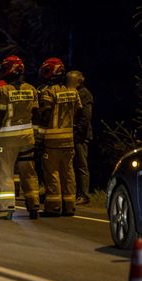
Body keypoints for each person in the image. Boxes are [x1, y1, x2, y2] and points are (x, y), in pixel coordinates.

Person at [0, 55, 41, 220]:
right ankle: (34, 205)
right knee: (29, 172)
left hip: (8, 138)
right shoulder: (32, 89)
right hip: (27, 138)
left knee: (5, 173)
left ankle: (6, 208)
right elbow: (37, 114)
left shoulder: (4, 90)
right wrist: (36, 134)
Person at [38, 58, 82, 217]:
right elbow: (78, 112)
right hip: (68, 140)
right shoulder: (73, 92)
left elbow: (45, 116)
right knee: (68, 173)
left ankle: (53, 207)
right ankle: (69, 206)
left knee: (52, 173)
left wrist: (39, 138)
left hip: (52, 141)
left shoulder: (48, 92)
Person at [66, 70, 93, 205]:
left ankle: (84, 195)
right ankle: (73, 193)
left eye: (70, 80)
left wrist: (77, 131)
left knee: (81, 165)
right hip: (71, 134)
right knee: (71, 165)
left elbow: (86, 116)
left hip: (80, 136)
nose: (68, 83)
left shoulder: (84, 94)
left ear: (79, 81)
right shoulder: (71, 93)